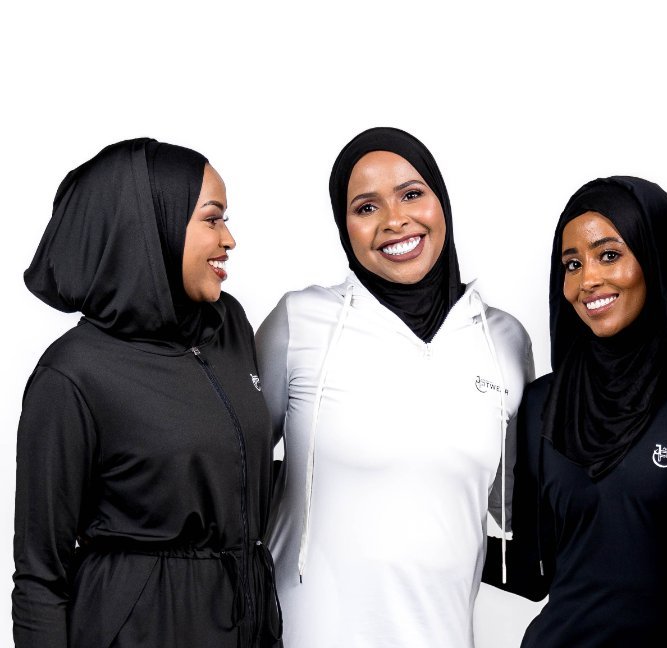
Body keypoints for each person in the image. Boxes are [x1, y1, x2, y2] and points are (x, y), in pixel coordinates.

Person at [258, 127, 534, 647]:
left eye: (411, 194)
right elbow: (231, 468)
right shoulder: (300, 322)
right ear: (344, 227)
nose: (394, 220)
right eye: (367, 207)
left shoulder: (503, 340)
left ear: (441, 202)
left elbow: (513, 505)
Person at [13, 138, 280, 647]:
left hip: (244, 620)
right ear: (153, 226)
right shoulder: (72, 373)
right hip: (138, 628)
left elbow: (231, 466)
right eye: (211, 219)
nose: (228, 239)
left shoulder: (230, 326)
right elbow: (39, 573)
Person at [484, 176, 667, 645]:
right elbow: (532, 571)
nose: (587, 280)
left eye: (609, 255)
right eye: (572, 264)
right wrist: (431, 535)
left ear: (656, 256)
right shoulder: (543, 403)